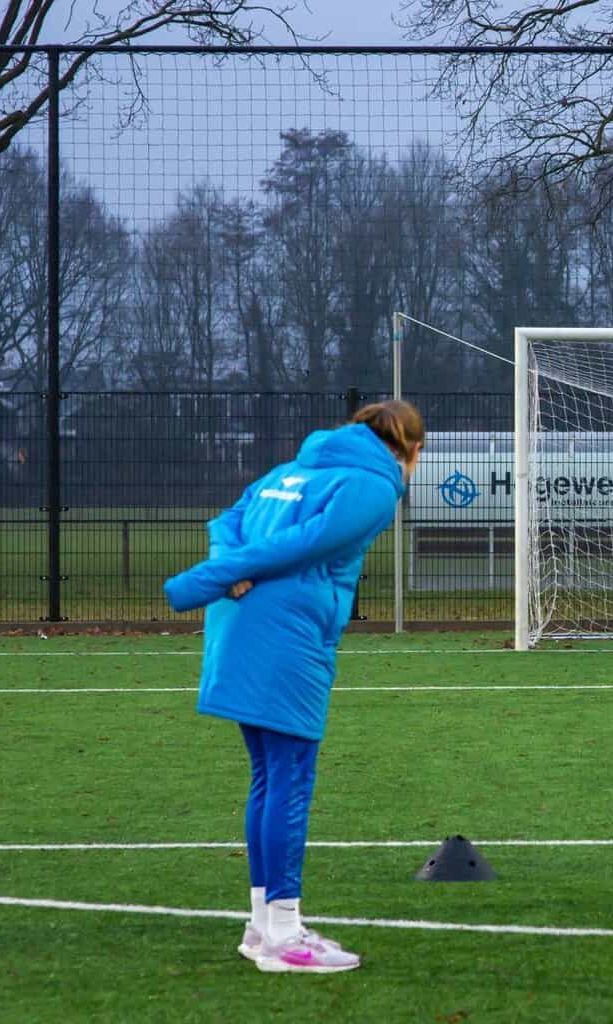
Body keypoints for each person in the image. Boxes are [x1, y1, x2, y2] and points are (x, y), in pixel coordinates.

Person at [163, 399, 425, 974]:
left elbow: (227, 523)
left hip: (243, 623)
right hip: (285, 633)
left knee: (269, 775)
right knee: (289, 776)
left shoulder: (290, 471)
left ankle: (264, 927)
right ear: (411, 448)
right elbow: (305, 543)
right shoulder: (373, 485)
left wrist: (231, 566)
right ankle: (283, 935)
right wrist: (222, 572)